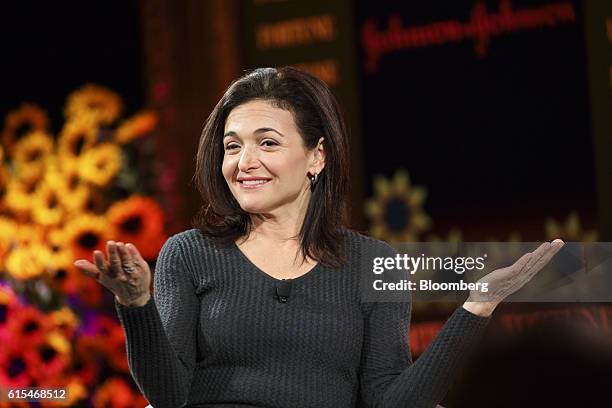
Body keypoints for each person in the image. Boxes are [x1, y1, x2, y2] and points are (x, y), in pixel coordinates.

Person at [74, 67, 564, 408]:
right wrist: (137, 305)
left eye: (267, 143)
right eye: (232, 146)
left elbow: (391, 400)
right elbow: (169, 395)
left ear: (316, 157)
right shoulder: (190, 253)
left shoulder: (374, 262)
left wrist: (477, 306)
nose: (244, 163)